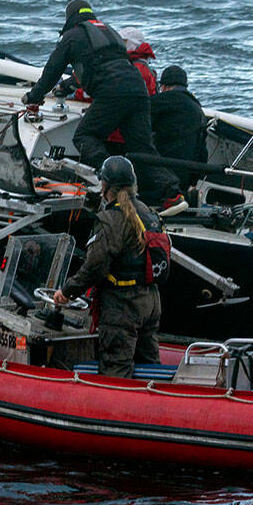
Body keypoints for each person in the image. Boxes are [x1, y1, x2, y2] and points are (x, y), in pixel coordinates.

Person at [21, 0, 182, 207]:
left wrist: (34, 96)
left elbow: (52, 70)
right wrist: (66, 87)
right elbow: (102, 67)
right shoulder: (108, 32)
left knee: (84, 136)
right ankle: (173, 193)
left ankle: (113, 182)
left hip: (113, 92)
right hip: (138, 89)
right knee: (142, 149)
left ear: (70, 17)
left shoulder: (72, 36)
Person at [54, 155, 165, 377]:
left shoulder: (110, 218)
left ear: (105, 186)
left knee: (116, 368)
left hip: (123, 306)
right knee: (150, 366)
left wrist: (66, 291)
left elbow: (94, 266)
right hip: (151, 301)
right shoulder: (147, 212)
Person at [148, 63, 208, 197]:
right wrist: (194, 180)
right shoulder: (197, 109)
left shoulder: (158, 101)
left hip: (160, 175)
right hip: (185, 177)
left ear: (164, 86)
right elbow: (202, 152)